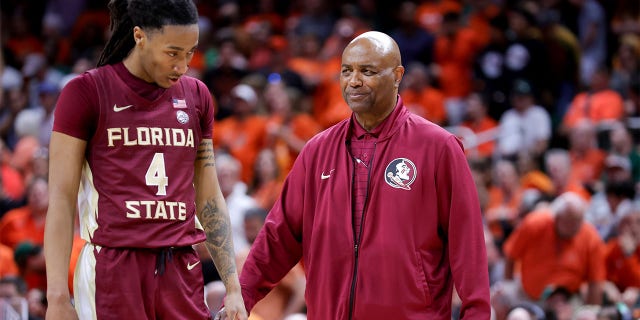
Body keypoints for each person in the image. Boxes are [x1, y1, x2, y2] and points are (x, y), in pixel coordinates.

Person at [229, 31, 490, 319]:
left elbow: (468, 244)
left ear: (397, 75)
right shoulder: (317, 151)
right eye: (347, 71)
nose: (354, 81)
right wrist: (241, 296)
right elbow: (278, 237)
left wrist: (476, 313)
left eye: (367, 71)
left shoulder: (439, 147)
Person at [43, 1, 247, 319]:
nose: (182, 65)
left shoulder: (197, 97)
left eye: (190, 52)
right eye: (172, 52)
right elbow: (60, 199)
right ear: (139, 36)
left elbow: (209, 196)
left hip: (181, 265)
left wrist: (233, 288)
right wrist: (57, 297)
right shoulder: (86, 92)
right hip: (113, 267)